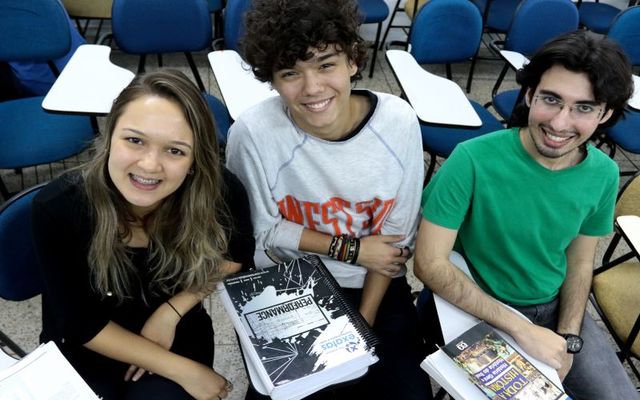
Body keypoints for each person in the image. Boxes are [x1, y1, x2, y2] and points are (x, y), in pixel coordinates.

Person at [416, 30, 639, 400]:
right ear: (530, 94)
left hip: (553, 309)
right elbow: (428, 264)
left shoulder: (604, 173)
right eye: (551, 100)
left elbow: (580, 262)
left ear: (606, 114)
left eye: (584, 107)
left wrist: (568, 338)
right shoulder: (472, 159)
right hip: (472, 304)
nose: (560, 123)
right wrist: (522, 329)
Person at [225, 0, 430, 398]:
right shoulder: (253, 132)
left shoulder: (398, 121)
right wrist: (354, 249)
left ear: (353, 60)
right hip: (286, 286)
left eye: (325, 64)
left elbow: (394, 245)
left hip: (375, 285)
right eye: (290, 73)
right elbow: (262, 231)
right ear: (272, 80)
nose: (313, 88)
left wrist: (359, 329)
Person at [32, 70, 255, 400]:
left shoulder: (219, 193)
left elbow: (236, 256)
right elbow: (80, 324)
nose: (150, 165)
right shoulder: (60, 208)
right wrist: (183, 370)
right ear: (109, 138)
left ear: (195, 161)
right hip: (87, 344)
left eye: (175, 151)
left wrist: (171, 312)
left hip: (178, 330)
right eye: (134, 140)